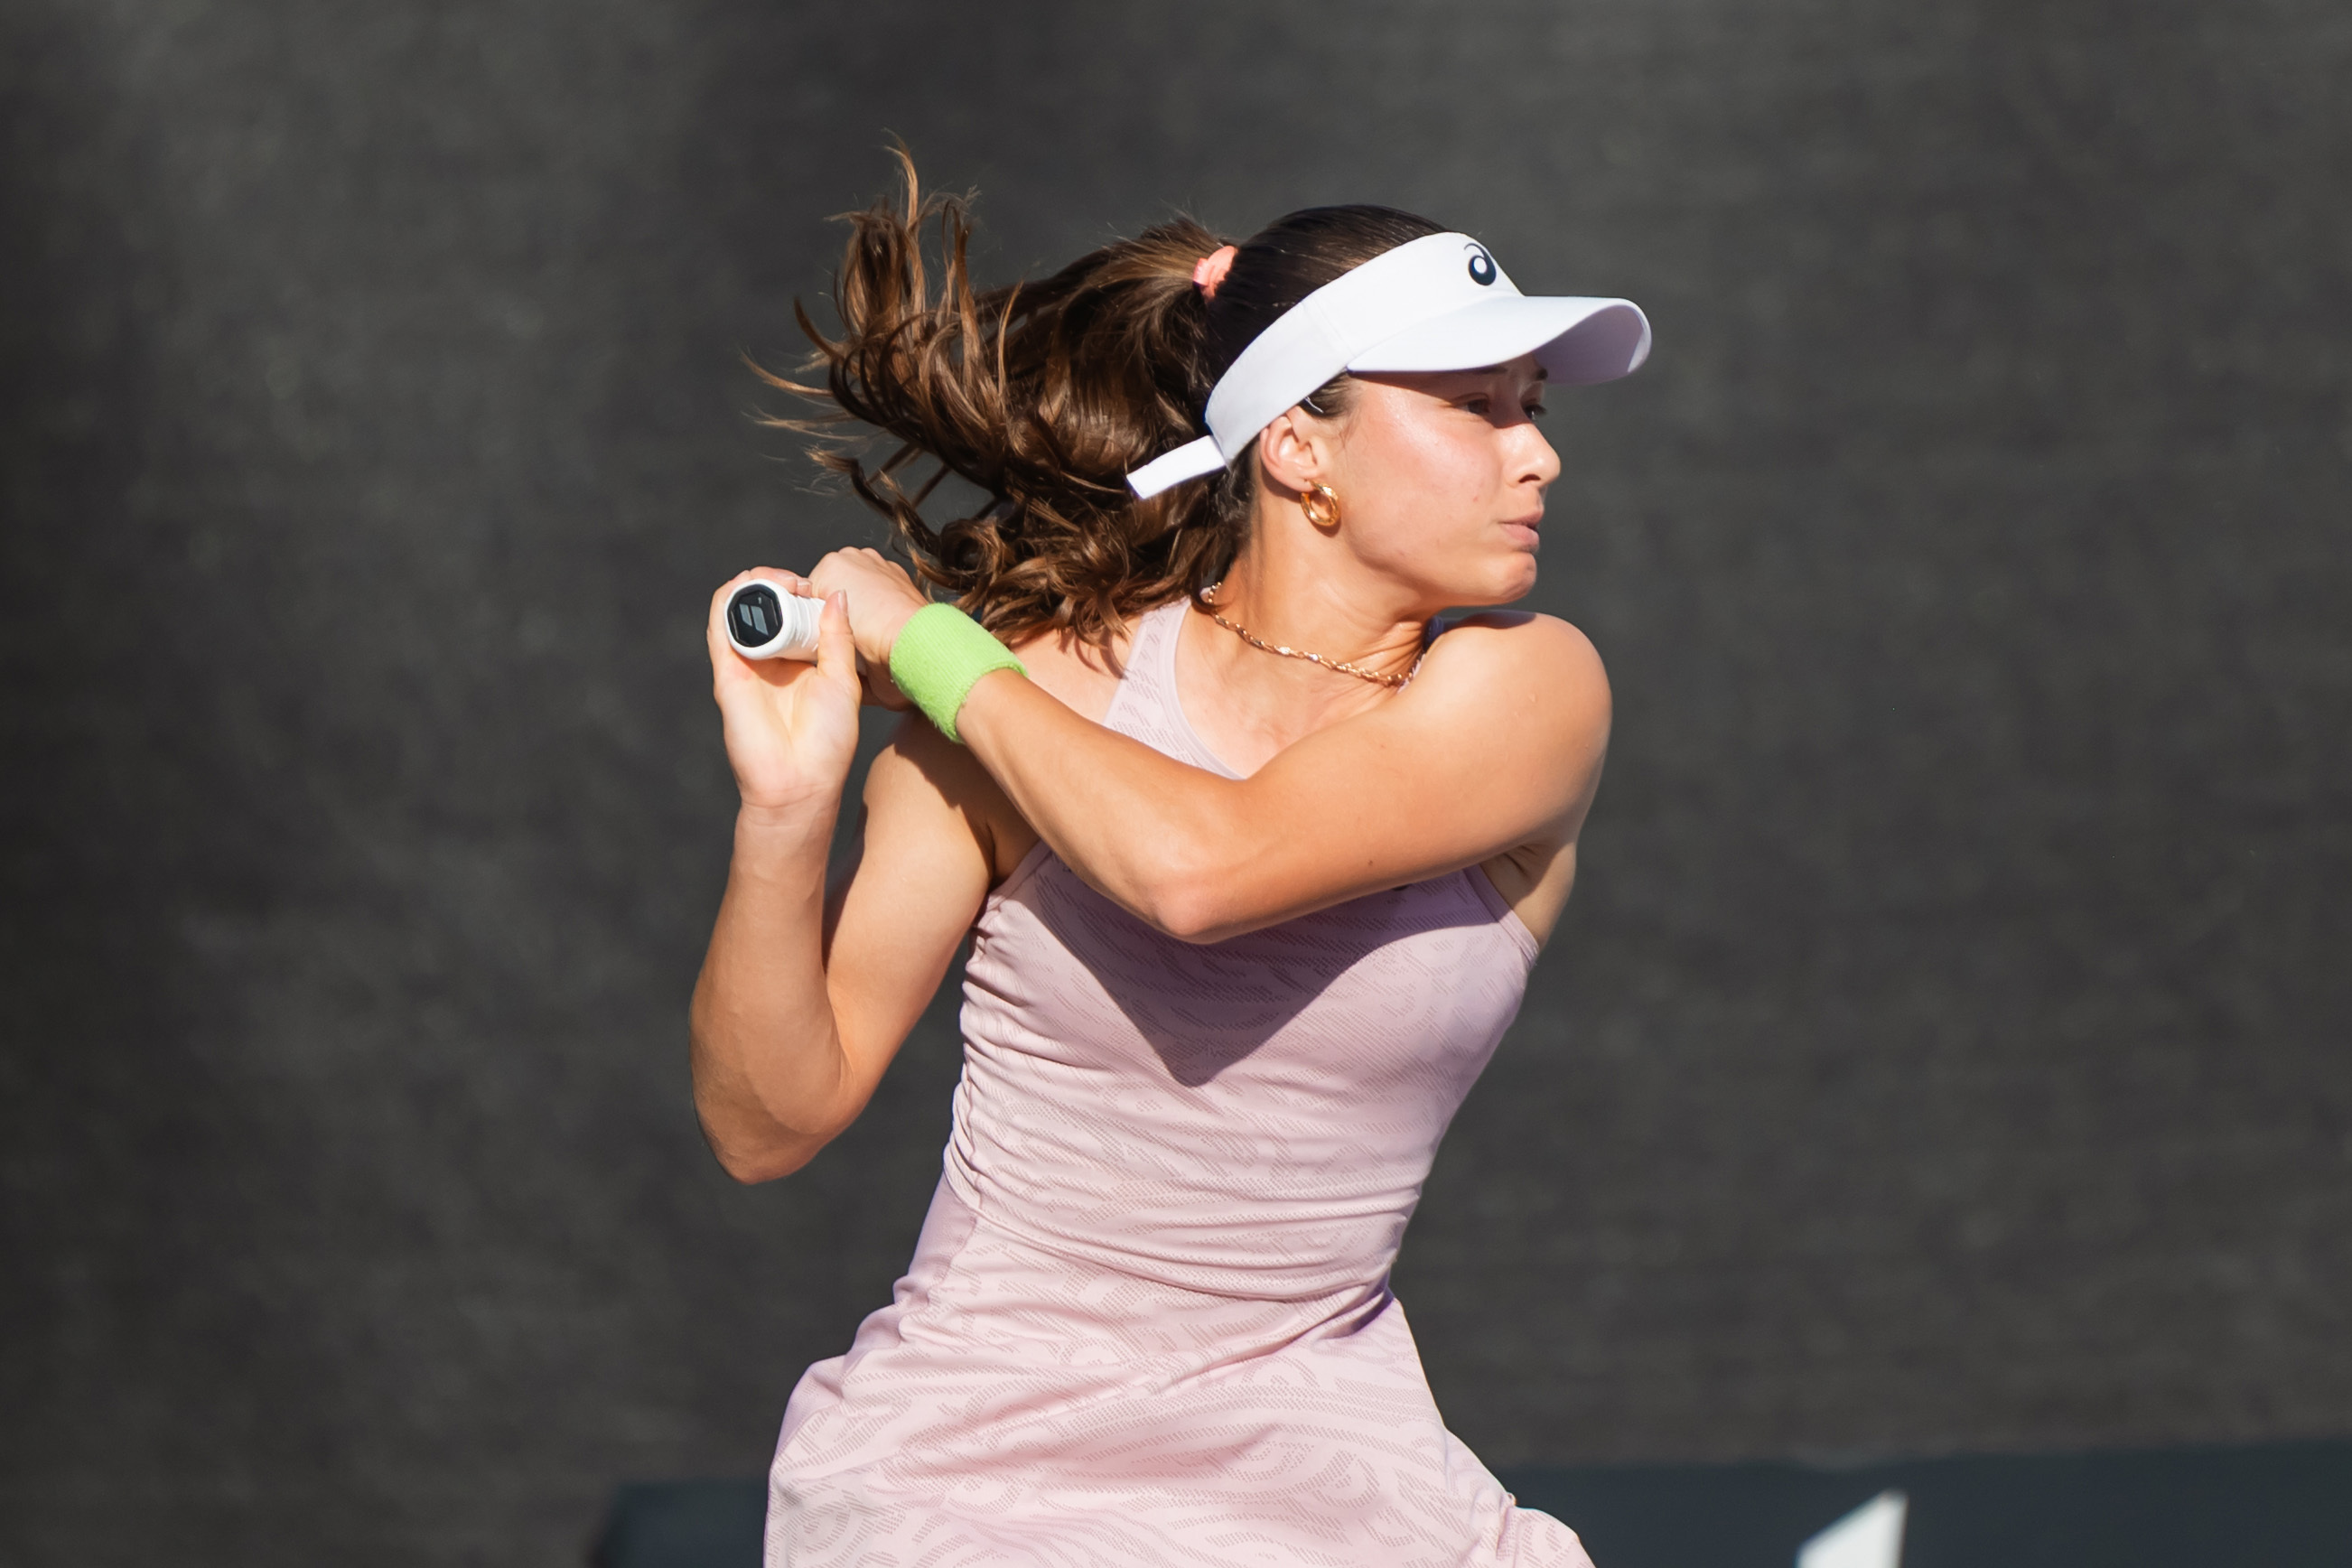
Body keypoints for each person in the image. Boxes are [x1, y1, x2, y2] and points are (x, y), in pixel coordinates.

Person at [690, 158, 1649, 1566]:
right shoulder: (1025, 705)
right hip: (964, 1489)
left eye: (1534, 409)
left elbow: (1199, 873)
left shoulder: (1530, 691)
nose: (1537, 454)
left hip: (1339, 1496)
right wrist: (786, 813)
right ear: (1300, 447)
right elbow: (768, 1123)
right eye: (1474, 406)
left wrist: (934, 648)